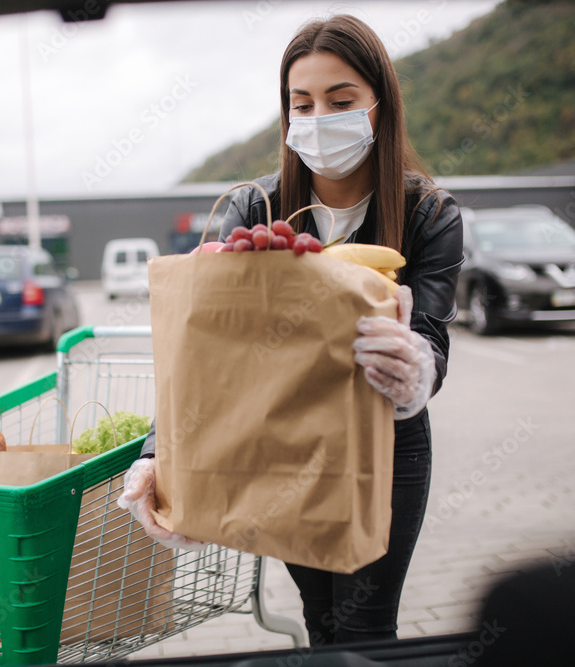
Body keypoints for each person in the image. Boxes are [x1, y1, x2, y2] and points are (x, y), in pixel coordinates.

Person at [118, 14, 463, 646]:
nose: (318, 117)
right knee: (321, 620)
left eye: (340, 101)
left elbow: (434, 339)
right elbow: (204, 353)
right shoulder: (257, 209)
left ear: (378, 108)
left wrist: (414, 369)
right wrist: (156, 450)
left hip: (387, 447)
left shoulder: (428, 213)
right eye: (301, 104)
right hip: (285, 439)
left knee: (365, 628)